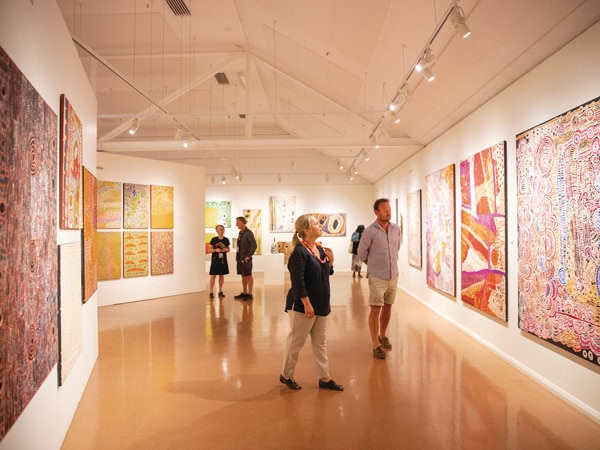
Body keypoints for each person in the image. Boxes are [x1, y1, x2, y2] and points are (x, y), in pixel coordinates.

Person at [279, 214, 343, 391]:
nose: (319, 225)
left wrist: (331, 263)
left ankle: (324, 377)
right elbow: (297, 281)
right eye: (315, 223)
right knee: (296, 342)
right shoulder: (299, 253)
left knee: (320, 344)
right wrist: (307, 303)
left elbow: (324, 275)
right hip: (303, 306)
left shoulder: (320, 250)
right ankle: (286, 374)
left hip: (321, 305)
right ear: (306, 230)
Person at [357, 198, 401, 360]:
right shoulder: (370, 232)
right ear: (376, 213)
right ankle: (375, 344)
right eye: (385, 210)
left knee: (388, 306)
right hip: (377, 276)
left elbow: (397, 248)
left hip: (393, 275)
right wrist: (374, 265)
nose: (388, 213)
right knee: (376, 308)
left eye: (389, 210)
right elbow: (362, 254)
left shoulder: (396, 229)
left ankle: (383, 335)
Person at [234, 216, 257, 300]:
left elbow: (254, 245)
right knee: (243, 276)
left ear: (242, 222)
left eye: (237, 222)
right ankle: (244, 292)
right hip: (240, 259)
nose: (236, 224)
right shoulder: (240, 233)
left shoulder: (249, 233)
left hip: (246, 258)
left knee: (248, 275)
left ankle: (250, 294)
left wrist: (249, 256)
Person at [208, 224, 230, 299]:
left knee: (221, 275)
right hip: (215, 259)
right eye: (220, 229)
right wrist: (215, 250)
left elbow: (228, 249)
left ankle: (220, 291)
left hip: (223, 260)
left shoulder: (226, 240)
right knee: (213, 275)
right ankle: (211, 291)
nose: (222, 231)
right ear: (217, 231)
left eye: (223, 229)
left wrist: (226, 250)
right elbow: (209, 249)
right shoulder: (214, 239)